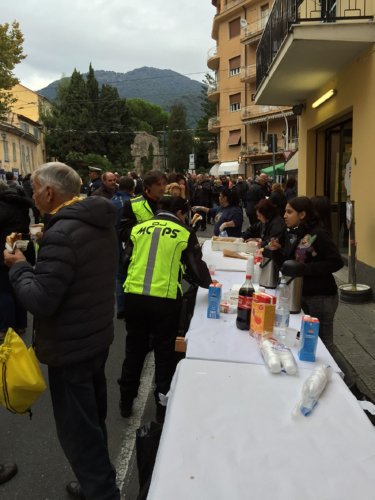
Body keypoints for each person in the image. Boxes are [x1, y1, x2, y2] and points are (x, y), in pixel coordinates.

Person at [4, 162, 120, 500]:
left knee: (78, 432)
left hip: (71, 347)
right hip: (95, 336)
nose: (32, 195)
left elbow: (40, 301)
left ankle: (101, 491)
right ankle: (96, 483)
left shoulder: (63, 233)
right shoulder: (97, 220)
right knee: (92, 420)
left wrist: (19, 267)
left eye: (35, 189)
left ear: (49, 192)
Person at [118, 196, 212, 422]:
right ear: (180, 212)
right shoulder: (183, 231)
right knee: (164, 353)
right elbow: (199, 272)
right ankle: (162, 406)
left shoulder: (139, 228)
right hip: (165, 300)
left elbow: (125, 261)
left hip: (134, 297)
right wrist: (206, 280)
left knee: (134, 350)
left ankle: (125, 401)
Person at [269, 196, 343, 353]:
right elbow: (289, 264)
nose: (284, 215)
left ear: (302, 215)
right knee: (306, 339)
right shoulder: (297, 232)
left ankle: (342, 376)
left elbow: (336, 262)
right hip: (302, 294)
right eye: (285, 212)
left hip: (321, 296)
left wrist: (307, 269)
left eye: (289, 212)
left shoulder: (319, 234)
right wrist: (275, 252)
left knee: (324, 343)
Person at [0, 180, 34, 335]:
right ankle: (20, 323)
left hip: (4, 251)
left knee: (4, 290)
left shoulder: (3, 206)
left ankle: (6, 327)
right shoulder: (19, 203)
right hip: (19, 249)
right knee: (16, 287)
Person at [119, 169, 167, 243]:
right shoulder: (132, 203)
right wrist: (147, 231)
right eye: (158, 184)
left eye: (164, 184)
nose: (162, 188)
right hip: (141, 250)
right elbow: (123, 233)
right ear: (148, 186)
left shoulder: (169, 202)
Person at [111, 176, 135, 320]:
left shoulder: (110, 202)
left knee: (119, 278)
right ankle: (131, 307)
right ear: (132, 188)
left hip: (113, 244)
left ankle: (121, 309)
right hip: (129, 244)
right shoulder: (133, 203)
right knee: (131, 275)